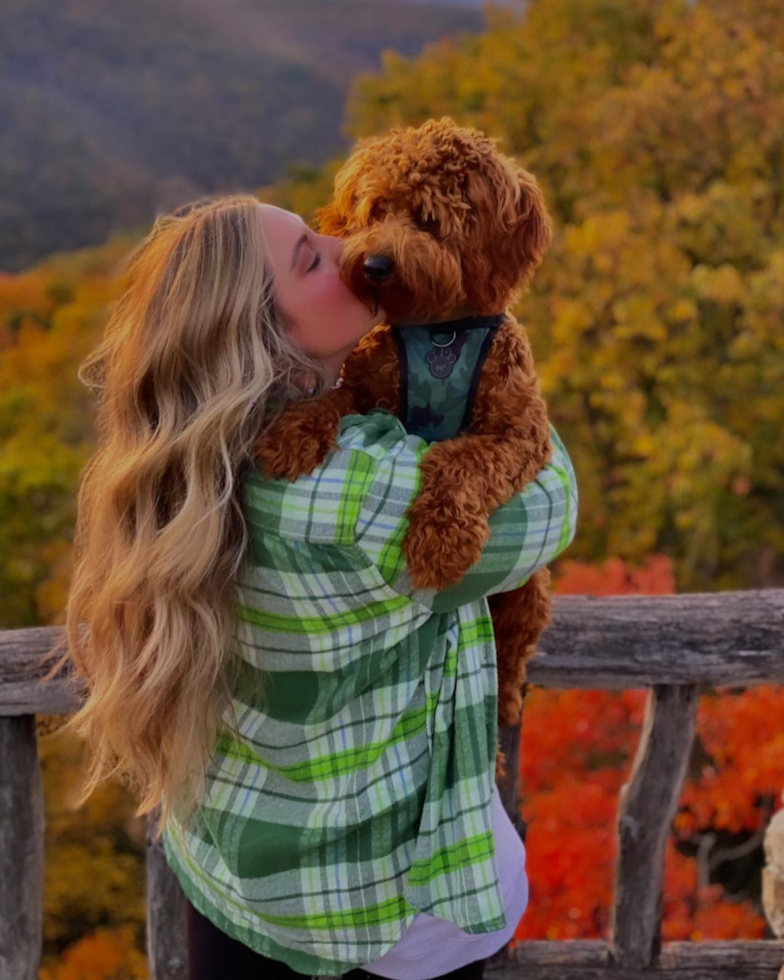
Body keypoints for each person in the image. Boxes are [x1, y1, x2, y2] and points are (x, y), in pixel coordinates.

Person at [43, 194, 578, 980]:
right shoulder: (354, 497)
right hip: (386, 916)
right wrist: (486, 359)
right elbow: (551, 505)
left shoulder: (192, 471)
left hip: (231, 875)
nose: (346, 244)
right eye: (308, 257)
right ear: (267, 342)